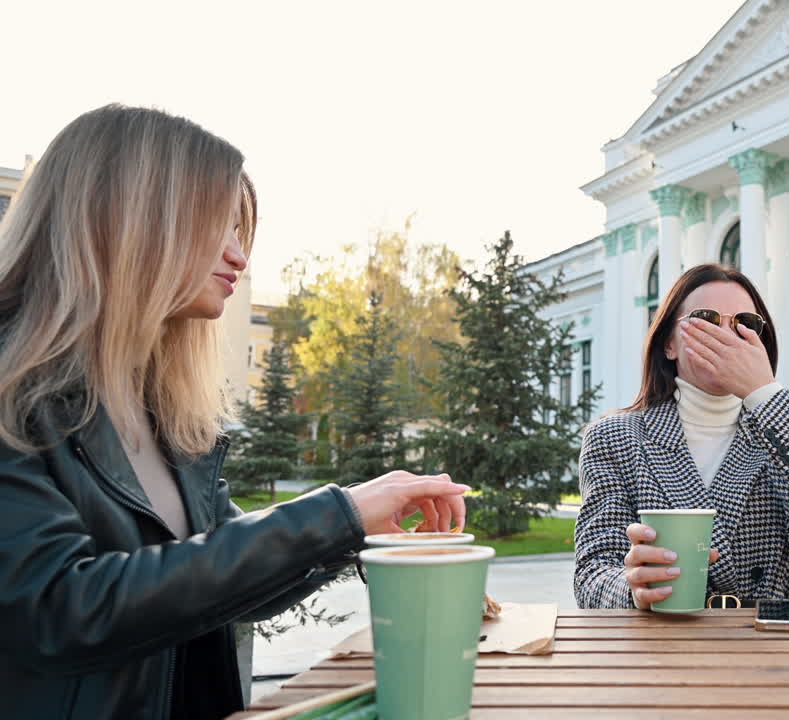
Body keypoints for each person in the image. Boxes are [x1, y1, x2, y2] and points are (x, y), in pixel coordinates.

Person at [0, 105, 470, 720]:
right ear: (132, 222)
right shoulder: (13, 390)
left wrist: (354, 533)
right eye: (216, 226)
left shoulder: (159, 409)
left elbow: (224, 583)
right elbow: (59, 609)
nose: (239, 256)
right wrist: (337, 516)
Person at [574, 264, 789, 609]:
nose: (727, 336)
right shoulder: (613, 438)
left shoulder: (782, 431)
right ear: (669, 345)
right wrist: (632, 587)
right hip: (662, 642)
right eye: (706, 320)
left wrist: (765, 394)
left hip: (764, 642)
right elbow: (591, 577)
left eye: (745, 324)